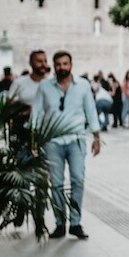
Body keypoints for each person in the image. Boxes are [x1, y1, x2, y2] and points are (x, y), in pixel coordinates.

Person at [35, 51, 101, 239]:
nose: (61, 67)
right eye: (58, 64)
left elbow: (91, 111)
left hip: (76, 140)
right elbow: (37, 114)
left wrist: (96, 138)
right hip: (52, 142)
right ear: (53, 66)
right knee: (56, 183)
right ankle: (59, 223)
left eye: (65, 64)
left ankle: (75, 222)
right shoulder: (44, 87)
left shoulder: (83, 86)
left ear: (71, 64)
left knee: (78, 180)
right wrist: (34, 140)